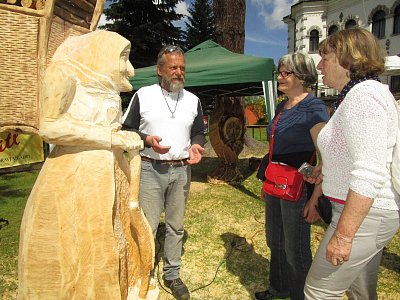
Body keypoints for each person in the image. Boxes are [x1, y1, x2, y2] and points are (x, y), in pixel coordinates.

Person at [18, 31, 153, 299]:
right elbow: (49, 127)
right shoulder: (63, 74)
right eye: (124, 59)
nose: (131, 70)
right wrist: (109, 138)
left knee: (114, 239)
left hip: (112, 173)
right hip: (73, 178)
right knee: (77, 248)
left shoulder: (102, 84)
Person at [304, 28, 400, 299]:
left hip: (364, 213)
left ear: (348, 59)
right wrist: (328, 168)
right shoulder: (358, 94)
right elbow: (363, 150)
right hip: (366, 212)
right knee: (360, 292)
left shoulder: (363, 96)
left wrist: (344, 237)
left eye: (326, 58)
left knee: (318, 291)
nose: (320, 66)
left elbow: (369, 171)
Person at [122, 45, 205, 300]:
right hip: (150, 168)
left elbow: (198, 132)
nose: (179, 72)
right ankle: (143, 272)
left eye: (182, 68)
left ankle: (172, 274)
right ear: (160, 70)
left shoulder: (193, 100)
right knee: (146, 226)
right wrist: (147, 140)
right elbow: (126, 130)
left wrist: (196, 145)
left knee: (175, 226)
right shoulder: (143, 95)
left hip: (181, 171)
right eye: (173, 67)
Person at [255, 53, 329, 300]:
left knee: (294, 249)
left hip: (298, 188)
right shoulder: (280, 105)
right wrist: (266, 181)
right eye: (280, 72)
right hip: (275, 182)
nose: (280, 77)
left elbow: (325, 157)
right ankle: (279, 288)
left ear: (303, 76)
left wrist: (316, 198)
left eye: (286, 73)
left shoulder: (314, 107)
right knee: (274, 241)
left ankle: (301, 295)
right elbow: (274, 149)